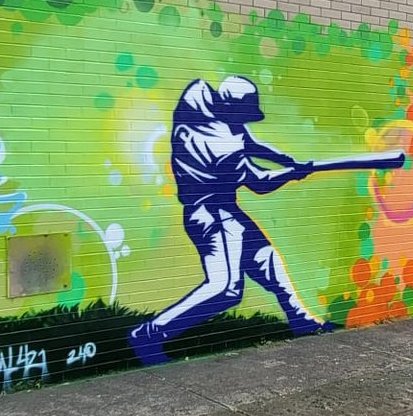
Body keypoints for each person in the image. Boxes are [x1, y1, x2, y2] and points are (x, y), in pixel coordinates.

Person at [129, 77, 329, 365]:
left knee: (266, 260)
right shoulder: (213, 143)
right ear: (228, 110)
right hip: (210, 214)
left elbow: (251, 143)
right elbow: (260, 182)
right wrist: (293, 174)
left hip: (225, 208)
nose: (245, 121)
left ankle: (302, 322)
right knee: (226, 289)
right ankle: (148, 335)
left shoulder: (210, 114)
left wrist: (289, 160)